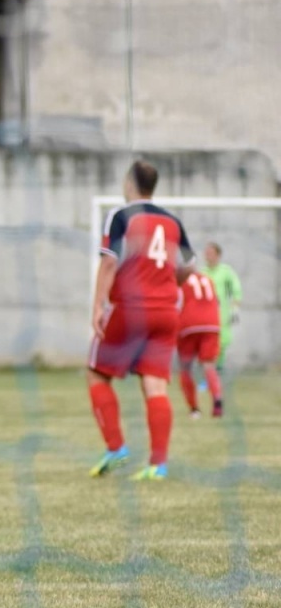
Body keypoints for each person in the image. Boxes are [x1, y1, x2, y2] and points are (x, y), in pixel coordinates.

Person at [87, 160, 194, 481]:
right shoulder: (173, 221)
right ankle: (158, 464)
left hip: (131, 308)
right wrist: (166, 285)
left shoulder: (121, 216)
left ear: (130, 183)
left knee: (96, 374)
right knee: (155, 386)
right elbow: (189, 267)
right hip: (166, 313)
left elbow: (109, 263)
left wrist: (97, 306)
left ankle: (116, 447)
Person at [177, 271, 223, 420]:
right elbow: (217, 302)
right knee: (209, 365)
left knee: (185, 368)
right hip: (211, 323)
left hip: (188, 325)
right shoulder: (207, 279)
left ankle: (194, 408)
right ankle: (217, 398)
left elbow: (176, 303)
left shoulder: (179, 279)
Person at [202, 242, 242, 371]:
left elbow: (236, 290)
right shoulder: (202, 272)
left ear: (218, 255)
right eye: (207, 254)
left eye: (211, 254)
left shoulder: (226, 272)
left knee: (222, 341)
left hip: (221, 313)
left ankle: (218, 368)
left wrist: (235, 309)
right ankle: (207, 374)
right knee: (206, 344)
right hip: (205, 313)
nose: (208, 256)